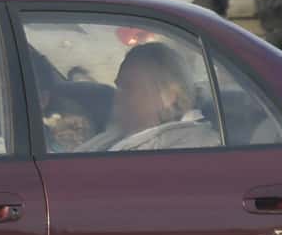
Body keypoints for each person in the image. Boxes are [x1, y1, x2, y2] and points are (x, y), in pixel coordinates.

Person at [79, 42, 219, 152]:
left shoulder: (193, 149)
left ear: (168, 96)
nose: (117, 97)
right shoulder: (117, 135)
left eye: (128, 88)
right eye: (119, 87)